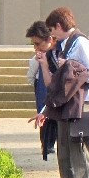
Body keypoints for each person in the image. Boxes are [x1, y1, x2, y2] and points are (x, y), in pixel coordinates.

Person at [38, 6, 89, 178]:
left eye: (52, 29)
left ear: (59, 26)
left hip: (81, 106)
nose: (51, 35)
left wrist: (70, 67)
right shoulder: (65, 44)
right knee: (65, 157)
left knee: (80, 157)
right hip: (67, 105)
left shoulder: (81, 42)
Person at [25, 21, 57, 160]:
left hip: (54, 87)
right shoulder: (36, 58)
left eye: (38, 44)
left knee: (53, 115)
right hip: (41, 85)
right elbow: (31, 75)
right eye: (34, 44)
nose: (35, 47)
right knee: (42, 113)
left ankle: (51, 143)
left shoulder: (56, 55)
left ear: (49, 40)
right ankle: (46, 143)